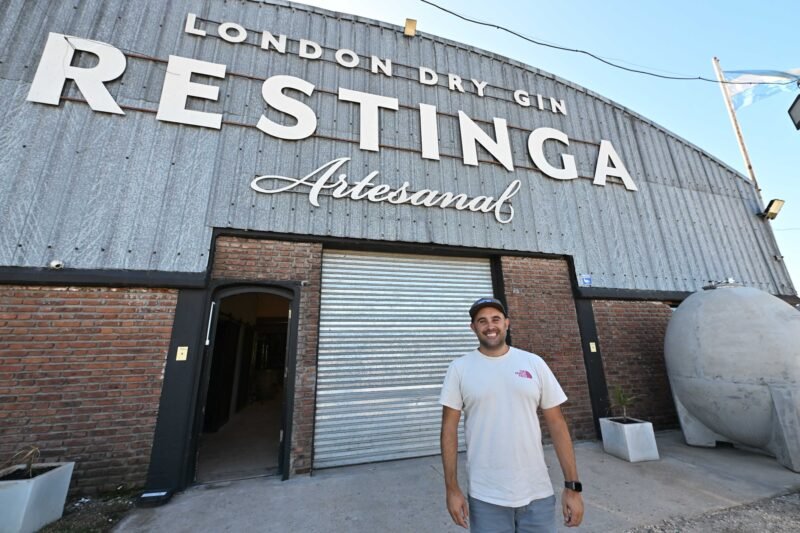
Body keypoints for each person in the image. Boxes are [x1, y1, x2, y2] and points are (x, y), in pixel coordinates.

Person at [439, 297, 584, 532]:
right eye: (482, 321)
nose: (490, 326)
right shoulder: (459, 368)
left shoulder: (533, 363)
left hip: (537, 493)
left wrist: (573, 487)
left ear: (507, 323)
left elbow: (557, 425)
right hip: (486, 496)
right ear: (473, 327)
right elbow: (448, 430)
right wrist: (451, 489)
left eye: (496, 319)